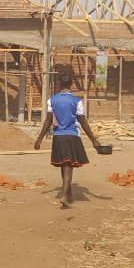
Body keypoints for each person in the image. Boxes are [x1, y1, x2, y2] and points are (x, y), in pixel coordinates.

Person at [33, 73, 102, 207]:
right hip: (72, 136)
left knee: (63, 164)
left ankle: (68, 193)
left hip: (58, 136)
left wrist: (39, 139)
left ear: (59, 84)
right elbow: (83, 122)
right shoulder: (77, 101)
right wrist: (93, 140)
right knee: (68, 166)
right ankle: (65, 195)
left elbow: (48, 121)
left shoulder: (52, 100)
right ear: (71, 84)